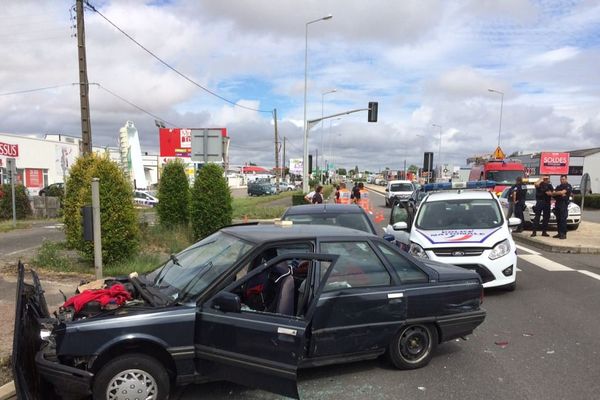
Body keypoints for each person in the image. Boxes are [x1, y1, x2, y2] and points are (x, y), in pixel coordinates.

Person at [552, 175, 572, 239]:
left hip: (563, 204)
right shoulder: (558, 186)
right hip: (557, 204)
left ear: (566, 179)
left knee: (563, 220)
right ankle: (559, 233)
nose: (562, 180)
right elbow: (553, 194)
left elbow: (561, 192)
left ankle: (563, 234)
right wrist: (560, 193)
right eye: (561, 179)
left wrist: (558, 193)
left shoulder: (568, 186)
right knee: (558, 220)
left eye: (563, 179)